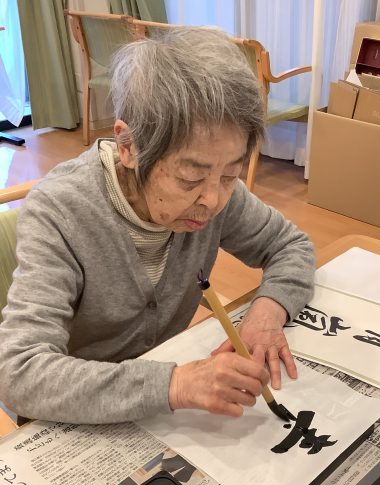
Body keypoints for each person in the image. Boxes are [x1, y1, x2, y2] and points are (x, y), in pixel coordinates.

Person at [0, 26, 315, 425]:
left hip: (158, 412)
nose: (213, 200)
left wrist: (266, 313)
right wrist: (175, 385)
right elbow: (20, 372)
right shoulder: (60, 212)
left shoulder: (216, 193)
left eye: (231, 174)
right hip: (70, 414)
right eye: (190, 177)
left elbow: (291, 246)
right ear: (129, 146)